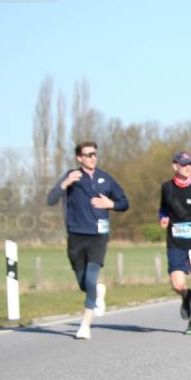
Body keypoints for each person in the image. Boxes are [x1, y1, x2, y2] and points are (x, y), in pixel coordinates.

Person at [46, 141, 129, 340]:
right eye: (88, 155)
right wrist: (65, 183)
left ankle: (85, 324)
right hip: (76, 236)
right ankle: (98, 292)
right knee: (84, 284)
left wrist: (110, 204)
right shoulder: (71, 177)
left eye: (94, 154)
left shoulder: (105, 178)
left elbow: (124, 203)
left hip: (99, 236)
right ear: (79, 158)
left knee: (91, 278)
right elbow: (51, 199)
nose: (93, 158)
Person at [159, 150, 191, 335]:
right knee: (178, 285)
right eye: (183, 164)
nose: (187, 167)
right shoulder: (167, 188)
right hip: (176, 244)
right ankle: (185, 295)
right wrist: (163, 217)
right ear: (175, 166)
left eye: (190, 164)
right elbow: (163, 208)